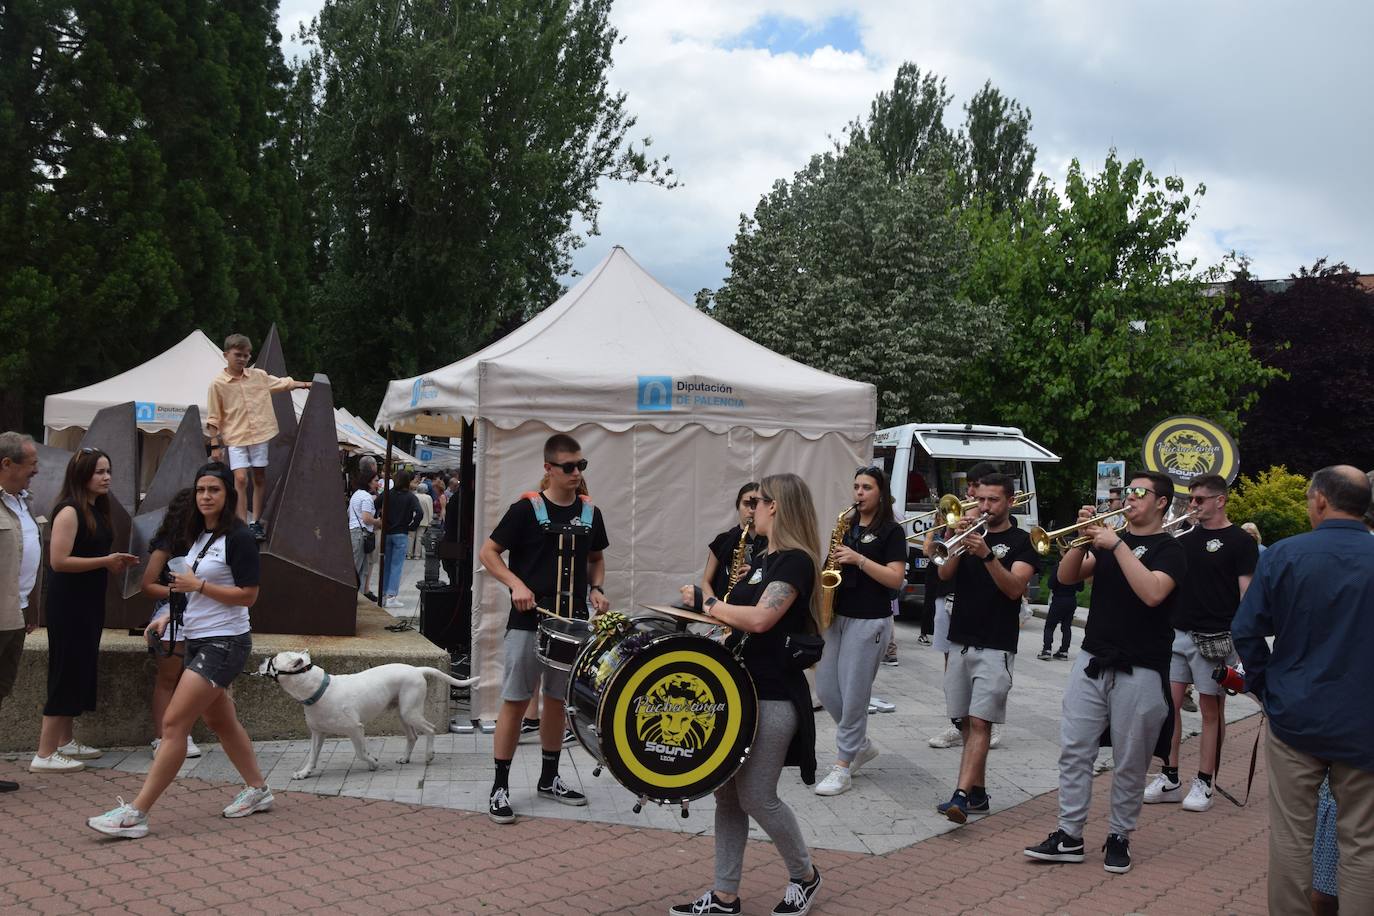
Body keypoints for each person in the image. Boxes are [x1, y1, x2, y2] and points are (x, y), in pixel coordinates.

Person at [88, 462, 273, 838]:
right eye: (201, 490)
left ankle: (135, 814)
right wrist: (171, 620)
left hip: (225, 643)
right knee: (221, 721)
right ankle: (259, 789)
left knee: (173, 724)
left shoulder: (238, 538)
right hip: (198, 638)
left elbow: (249, 596)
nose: (206, 496)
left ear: (228, 495)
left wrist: (199, 587)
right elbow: (191, 595)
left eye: (214, 490)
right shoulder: (200, 536)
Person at [672, 472, 822, 916]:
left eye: (757, 502)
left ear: (775, 507)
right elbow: (736, 620)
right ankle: (724, 895)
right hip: (738, 689)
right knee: (726, 794)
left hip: (773, 693)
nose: (750, 509)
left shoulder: (795, 561)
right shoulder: (761, 559)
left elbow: (759, 620)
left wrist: (709, 603)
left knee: (757, 795)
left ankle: (805, 876)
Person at [1024, 471, 1185, 875]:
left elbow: (1152, 593)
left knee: (1131, 759)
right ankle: (1069, 834)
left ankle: (1119, 835)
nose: (1128, 497)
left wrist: (1117, 543)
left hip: (1143, 667)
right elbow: (1065, 578)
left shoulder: (1172, 549)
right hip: (1093, 659)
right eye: (1127, 490)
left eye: (1138, 492)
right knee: (1075, 749)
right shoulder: (1112, 540)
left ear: (1161, 502)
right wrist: (1081, 541)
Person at [1232, 465, 1374, 913]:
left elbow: (1247, 630)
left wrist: (1265, 686)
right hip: (1365, 718)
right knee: (1363, 842)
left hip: (1296, 711)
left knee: (1292, 837)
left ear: (1319, 501)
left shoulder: (1285, 554)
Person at [478, 434, 608, 824]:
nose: (576, 473)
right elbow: (488, 553)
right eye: (568, 467)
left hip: (572, 626)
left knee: (557, 701)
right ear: (548, 468)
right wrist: (515, 584)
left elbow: (597, 559)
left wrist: (598, 588)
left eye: (580, 466)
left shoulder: (590, 513)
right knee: (517, 700)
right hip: (528, 624)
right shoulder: (525, 509)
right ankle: (499, 786)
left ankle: (549, 779)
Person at [1143, 474, 1256, 813]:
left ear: (1220, 500)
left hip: (1216, 637)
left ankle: (1205, 781)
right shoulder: (1184, 538)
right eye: (1192, 500)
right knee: (1169, 706)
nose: (1193, 505)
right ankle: (1170, 775)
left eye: (1200, 500)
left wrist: (1243, 644)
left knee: (1211, 710)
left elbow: (1246, 593)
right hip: (1178, 632)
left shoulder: (1241, 541)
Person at [934, 473, 1039, 823]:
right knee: (964, 721)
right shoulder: (968, 535)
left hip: (996, 644)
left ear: (1010, 501)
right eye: (980, 500)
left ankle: (960, 796)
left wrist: (988, 555)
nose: (984, 507)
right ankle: (977, 793)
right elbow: (944, 574)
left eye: (993, 500)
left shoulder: (1022, 541)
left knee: (981, 723)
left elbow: (1014, 589)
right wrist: (953, 539)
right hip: (961, 640)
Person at [31, 448, 140, 773]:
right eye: (99, 472)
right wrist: (106, 561)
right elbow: (59, 561)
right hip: (69, 604)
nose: (106, 477)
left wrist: (112, 564)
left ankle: (64, 741)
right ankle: (45, 752)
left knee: (79, 667)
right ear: (82, 476)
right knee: (66, 669)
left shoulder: (94, 509)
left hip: (88, 601)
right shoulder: (69, 511)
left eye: (108, 471)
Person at [813, 467, 905, 797]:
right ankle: (861, 746)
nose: (859, 493)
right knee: (825, 688)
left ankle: (842, 768)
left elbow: (895, 579)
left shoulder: (891, 532)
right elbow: (829, 567)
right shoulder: (848, 525)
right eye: (856, 487)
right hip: (838, 616)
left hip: (870, 620)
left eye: (866, 487)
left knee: (854, 695)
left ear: (880, 493)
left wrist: (858, 559)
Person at [205, 333, 311, 539]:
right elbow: (213, 417)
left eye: (246, 355)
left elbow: (282, 383)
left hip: (260, 434)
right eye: (238, 354)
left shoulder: (258, 376)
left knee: (259, 476)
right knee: (241, 478)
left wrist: (305, 384)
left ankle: (255, 522)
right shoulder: (217, 384)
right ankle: (242, 522)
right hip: (236, 437)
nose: (243, 359)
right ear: (226, 355)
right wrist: (214, 445)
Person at [927, 461, 999, 749]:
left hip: (982, 609)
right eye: (971, 488)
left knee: (984, 672)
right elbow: (937, 558)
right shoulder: (962, 516)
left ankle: (986, 725)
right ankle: (958, 723)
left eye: (977, 488)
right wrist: (947, 529)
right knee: (951, 664)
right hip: (949, 594)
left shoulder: (999, 526)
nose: (970, 492)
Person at [139, 488, 203, 759]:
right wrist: (178, 593)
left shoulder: (211, 539)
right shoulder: (168, 543)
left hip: (202, 613)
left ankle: (181, 733)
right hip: (172, 613)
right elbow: (147, 584)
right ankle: (163, 737)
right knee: (168, 677)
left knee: (190, 679)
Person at [0, 432, 42, 792]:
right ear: (7, 464)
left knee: (0, 692)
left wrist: (29, 609)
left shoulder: (21, 502)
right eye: (31, 464)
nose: (37, 470)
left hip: (14, 615)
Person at [701, 483, 767, 601]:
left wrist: (755, 574)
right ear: (738, 505)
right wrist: (713, 605)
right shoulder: (723, 540)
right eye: (746, 504)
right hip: (720, 608)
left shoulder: (771, 542)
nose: (751, 510)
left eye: (756, 504)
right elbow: (706, 581)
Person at [377, 469, 423, 609]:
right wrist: (412, 526)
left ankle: (383, 593)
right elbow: (419, 513)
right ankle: (392, 596)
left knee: (386, 564)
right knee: (396, 566)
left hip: (387, 533)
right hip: (401, 532)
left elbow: (375, 504)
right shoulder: (410, 496)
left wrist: (381, 520)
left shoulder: (388, 493)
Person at [347, 470, 382, 599]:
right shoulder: (366, 497)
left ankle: (357, 596)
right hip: (362, 534)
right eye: (376, 480)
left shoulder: (356, 495)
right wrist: (377, 522)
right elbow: (366, 518)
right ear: (368, 481)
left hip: (355, 532)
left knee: (359, 566)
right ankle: (354, 597)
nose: (377, 484)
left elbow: (349, 513)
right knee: (359, 567)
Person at [1038, 563, 1082, 660]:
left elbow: (1050, 584)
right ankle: (1064, 651)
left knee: (1050, 626)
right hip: (1071, 600)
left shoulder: (1059, 567)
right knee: (1066, 627)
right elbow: (1081, 588)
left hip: (1058, 599)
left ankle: (1047, 650)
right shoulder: (1077, 567)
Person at [409, 475, 433, 560]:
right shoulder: (428, 498)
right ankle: (417, 555)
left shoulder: (413, 495)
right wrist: (430, 521)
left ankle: (409, 554)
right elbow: (430, 510)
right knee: (419, 538)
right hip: (424, 520)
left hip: (412, 519)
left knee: (411, 537)